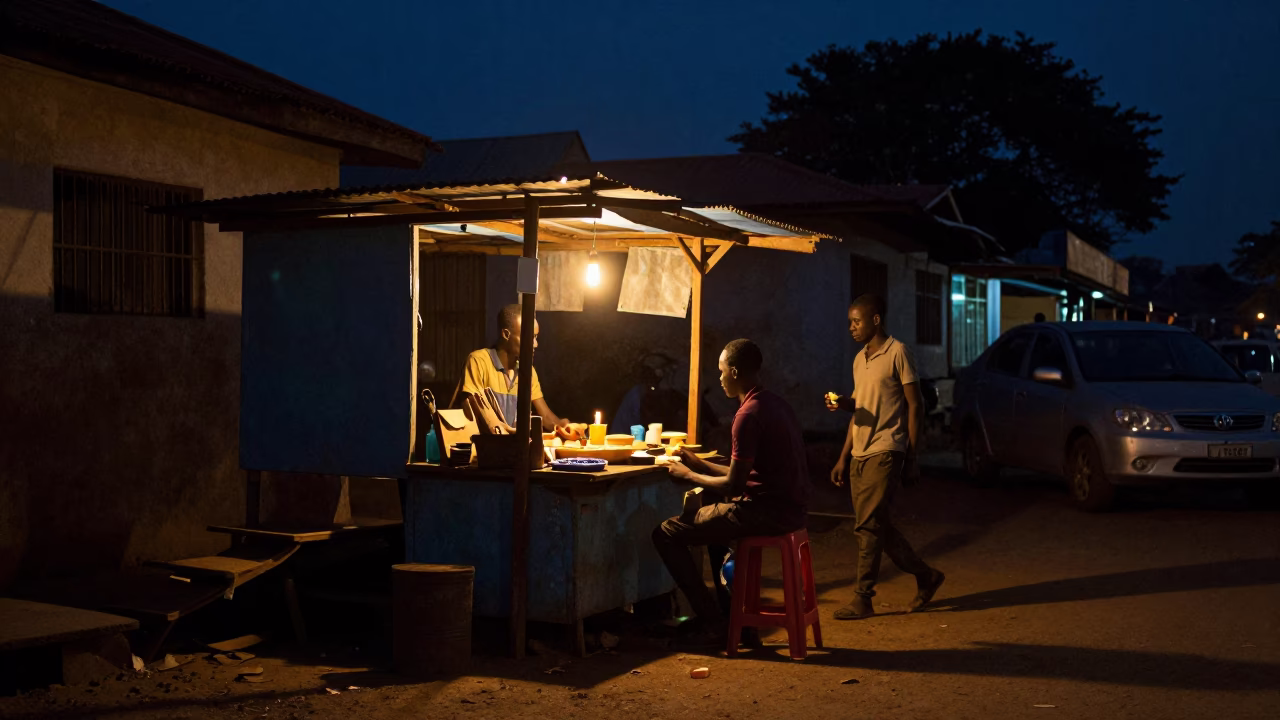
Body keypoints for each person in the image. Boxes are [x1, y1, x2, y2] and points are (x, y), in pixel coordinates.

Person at [653, 339, 810, 645]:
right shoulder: (774, 404)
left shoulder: (747, 416)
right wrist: (699, 462)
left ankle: (713, 623)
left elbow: (734, 486)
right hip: (791, 509)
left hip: (767, 513)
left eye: (722, 371)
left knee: (666, 534)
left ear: (735, 371)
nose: (720, 377)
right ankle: (737, 623)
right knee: (715, 531)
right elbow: (744, 475)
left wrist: (687, 474)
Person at [825, 294, 945, 619]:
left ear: (876, 319)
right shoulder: (859, 359)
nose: (851, 327)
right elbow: (860, 409)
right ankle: (926, 575)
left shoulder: (898, 352)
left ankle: (863, 597)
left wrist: (912, 455)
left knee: (867, 527)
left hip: (887, 449)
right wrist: (842, 455)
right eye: (850, 321)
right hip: (859, 452)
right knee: (875, 526)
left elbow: (916, 404)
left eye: (856, 321)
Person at [460, 304, 577, 437]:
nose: (535, 344)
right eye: (529, 337)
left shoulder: (528, 371)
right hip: (483, 451)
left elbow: (545, 417)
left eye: (536, 337)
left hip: (514, 450)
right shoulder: (478, 361)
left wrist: (563, 426)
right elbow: (473, 411)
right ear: (506, 334)